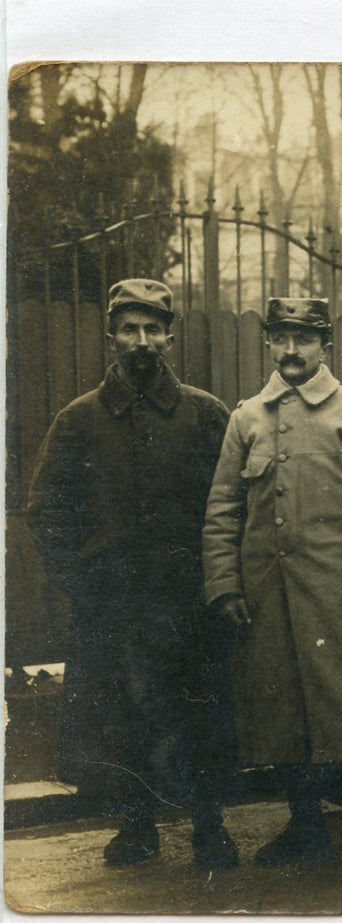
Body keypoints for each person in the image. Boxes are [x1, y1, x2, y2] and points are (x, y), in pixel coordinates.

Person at [25, 278, 238, 869]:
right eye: (129, 329)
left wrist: (217, 580)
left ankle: (209, 826)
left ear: (169, 337)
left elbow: (230, 504)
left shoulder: (204, 414)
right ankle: (136, 825)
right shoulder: (79, 419)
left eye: (152, 329)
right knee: (123, 716)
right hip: (113, 602)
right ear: (111, 337)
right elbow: (46, 509)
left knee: (198, 712)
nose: (141, 341)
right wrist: (80, 581)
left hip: (188, 600)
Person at [202, 297, 342, 876]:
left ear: (325, 346)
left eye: (304, 339)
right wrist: (225, 584)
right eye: (281, 338)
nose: (291, 351)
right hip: (267, 596)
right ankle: (305, 825)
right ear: (268, 342)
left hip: (340, 596)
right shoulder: (247, 418)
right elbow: (222, 511)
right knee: (280, 712)